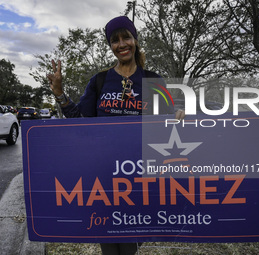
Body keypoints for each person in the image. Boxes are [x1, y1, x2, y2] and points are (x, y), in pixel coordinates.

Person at [48, 16, 184, 255]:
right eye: (115, 40)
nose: (121, 44)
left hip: (141, 174)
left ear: (135, 40)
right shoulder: (100, 81)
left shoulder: (153, 80)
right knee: (110, 243)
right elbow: (80, 122)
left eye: (126, 37)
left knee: (131, 243)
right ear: (110, 46)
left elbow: (168, 122)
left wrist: (179, 115)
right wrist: (60, 93)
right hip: (105, 177)